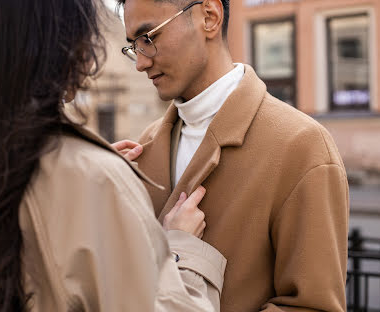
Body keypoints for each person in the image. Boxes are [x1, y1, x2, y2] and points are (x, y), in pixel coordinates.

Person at [0, 0, 227, 311]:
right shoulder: (96, 179)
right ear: (68, 45)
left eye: (148, 39)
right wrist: (182, 249)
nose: (140, 62)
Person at [115, 0, 350, 310]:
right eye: (134, 45)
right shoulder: (142, 149)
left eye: (149, 38)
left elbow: (313, 305)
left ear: (209, 17)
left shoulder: (302, 146)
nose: (140, 63)